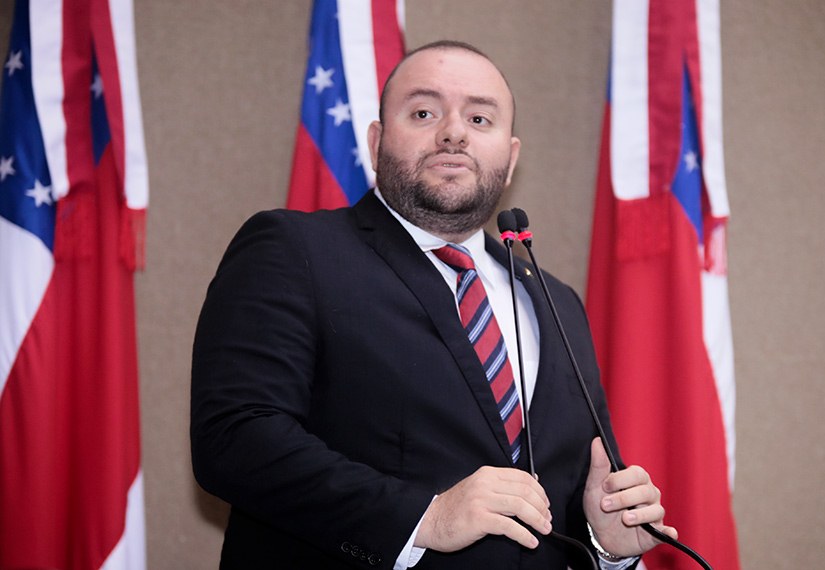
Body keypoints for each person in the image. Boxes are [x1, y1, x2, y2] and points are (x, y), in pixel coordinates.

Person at [191, 40, 677, 569]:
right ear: (376, 141)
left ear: (510, 159)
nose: (454, 133)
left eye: (479, 118)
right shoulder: (294, 249)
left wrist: (605, 545)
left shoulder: (556, 301)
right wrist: (424, 518)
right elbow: (235, 439)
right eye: (424, 113)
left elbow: (564, 495)